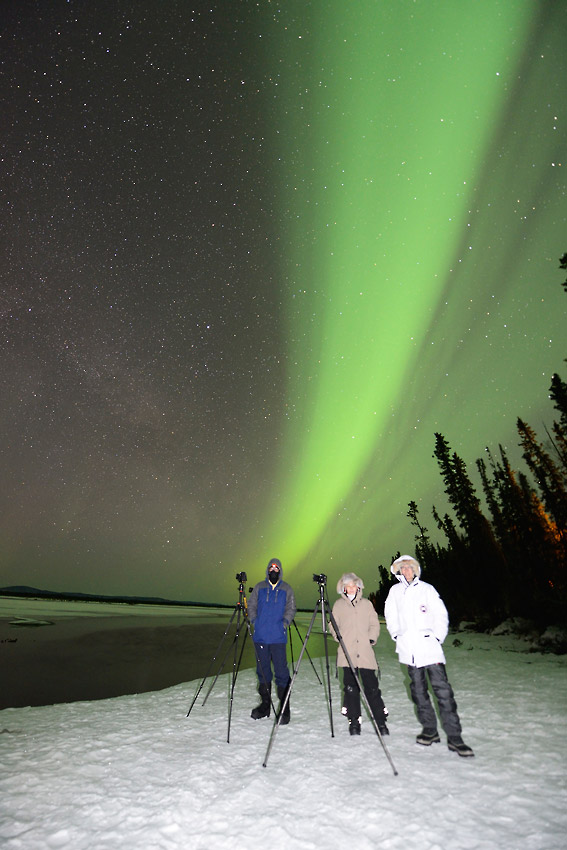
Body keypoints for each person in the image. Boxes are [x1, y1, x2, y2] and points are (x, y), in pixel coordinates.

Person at [384, 554, 474, 757]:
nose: (406, 571)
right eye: (402, 568)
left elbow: (440, 614)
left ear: (415, 570)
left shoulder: (427, 589)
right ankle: (430, 730)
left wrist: (437, 638)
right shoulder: (395, 591)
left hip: (430, 648)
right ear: (398, 571)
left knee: (443, 692)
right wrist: (397, 634)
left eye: (409, 567)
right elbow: (390, 615)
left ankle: (455, 738)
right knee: (418, 692)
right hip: (409, 650)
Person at [329, 572, 389, 736]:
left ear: (358, 586)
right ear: (343, 588)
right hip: (346, 654)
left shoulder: (367, 604)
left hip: (365, 654)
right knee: (350, 689)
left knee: (372, 688)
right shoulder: (338, 605)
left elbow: (374, 624)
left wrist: (371, 639)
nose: (350, 588)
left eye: (353, 585)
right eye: (347, 586)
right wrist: (338, 637)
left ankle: (380, 722)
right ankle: (354, 721)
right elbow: (333, 625)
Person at [248, 558, 296, 724]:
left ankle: (285, 709)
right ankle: (265, 706)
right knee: (263, 672)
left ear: (280, 570)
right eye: (271, 568)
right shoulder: (259, 587)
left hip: (278, 638)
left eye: (276, 568)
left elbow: (291, 609)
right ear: (267, 570)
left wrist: (284, 624)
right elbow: (251, 606)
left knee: (281, 673)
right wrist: (255, 621)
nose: (273, 570)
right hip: (261, 637)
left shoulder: (286, 589)